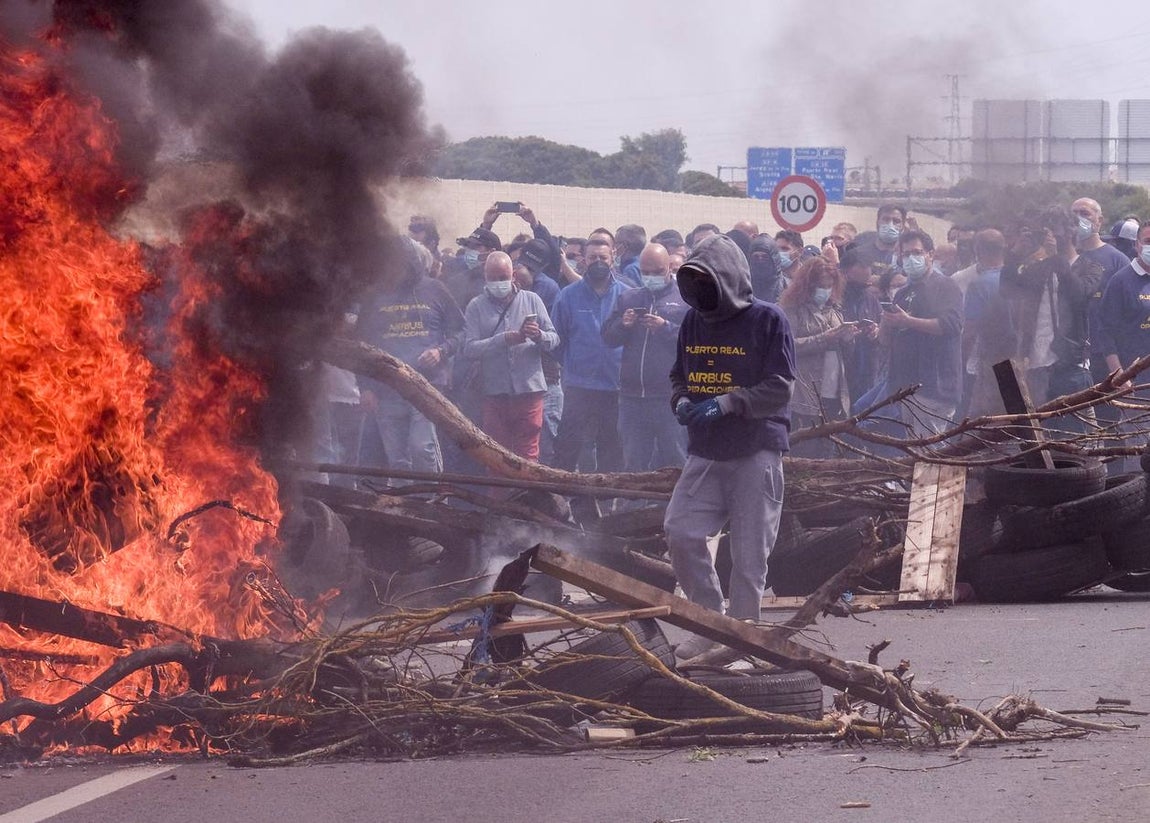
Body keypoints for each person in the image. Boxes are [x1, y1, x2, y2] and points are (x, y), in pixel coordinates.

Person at [663, 234, 795, 656]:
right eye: (694, 284)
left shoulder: (768, 320)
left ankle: (744, 642)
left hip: (756, 449)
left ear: (730, 279)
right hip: (705, 450)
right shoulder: (693, 320)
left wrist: (728, 402)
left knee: (749, 556)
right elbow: (677, 375)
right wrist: (682, 399)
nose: (701, 293)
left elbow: (780, 388)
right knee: (680, 531)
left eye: (708, 282)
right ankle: (710, 623)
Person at [356, 236, 464, 473]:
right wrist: (365, 387)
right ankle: (403, 508)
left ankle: (431, 505)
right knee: (397, 460)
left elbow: (461, 330)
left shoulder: (434, 289)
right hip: (387, 387)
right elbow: (361, 343)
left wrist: (441, 351)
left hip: (426, 386)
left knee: (422, 448)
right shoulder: (374, 294)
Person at [462, 252, 559, 462]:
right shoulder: (476, 306)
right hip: (495, 393)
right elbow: (469, 349)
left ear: (513, 275)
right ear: (485, 277)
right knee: (496, 456)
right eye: (493, 278)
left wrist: (538, 335)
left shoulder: (532, 300)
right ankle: (499, 495)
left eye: (503, 277)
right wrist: (502, 340)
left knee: (528, 455)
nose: (498, 283)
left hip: (529, 392)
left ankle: (526, 494)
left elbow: (554, 339)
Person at [601, 243, 688, 471]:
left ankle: (675, 507)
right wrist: (624, 324)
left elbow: (697, 342)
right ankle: (632, 507)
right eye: (645, 272)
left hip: (670, 396)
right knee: (634, 463)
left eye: (657, 272)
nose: (650, 277)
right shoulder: (629, 298)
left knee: (676, 460)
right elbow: (608, 337)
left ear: (669, 267)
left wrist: (665, 327)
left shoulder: (685, 300)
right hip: (632, 397)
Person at [549, 239, 627, 481]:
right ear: (584, 260)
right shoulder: (568, 296)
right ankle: (559, 501)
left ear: (613, 257)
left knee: (611, 451)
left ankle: (606, 507)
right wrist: (575, 364)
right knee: (567, 448)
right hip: (578, 387)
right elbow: (556, 339)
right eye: (593, 257)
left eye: (603, 257)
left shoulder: (627, 294)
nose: (598, 263)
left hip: (614, 387)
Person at [880, 229, 963, 437]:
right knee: (915, 452)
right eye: (906, 255)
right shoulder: (903, 293)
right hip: (907, 385)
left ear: (930, 254)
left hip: (935, 385)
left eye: (916, 253)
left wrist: (909, 321)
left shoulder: (945, 286)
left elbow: (951, 325)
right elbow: (886, 341)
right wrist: (886, 323)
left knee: (931, 453)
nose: (911, 259)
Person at [778, 257, 857, 456]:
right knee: (804, 446)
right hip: (804, 390)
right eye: (821, 286)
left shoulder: (834, 311)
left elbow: (847, 355)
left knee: (826, 446)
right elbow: (787, 346)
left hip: (834, 390)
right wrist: (825, 338)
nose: (825, 291)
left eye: (830, 286)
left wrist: (848, 338)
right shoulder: (791, 310)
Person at [1096, 220, 1150, 470]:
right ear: (1138, 245)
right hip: (1135, 386)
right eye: (1148, 242)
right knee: (1137, 454)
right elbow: (1106, 332)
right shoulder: (1122, 280)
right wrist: (1118, 374)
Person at [839, 248, 883, 406]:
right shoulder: (834, 297)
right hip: (841, 373)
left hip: (867, 371)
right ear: (845, 271)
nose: (868, 271)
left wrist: (877, 331)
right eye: (863, 266)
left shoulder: (870, 299)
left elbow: (882, 327)